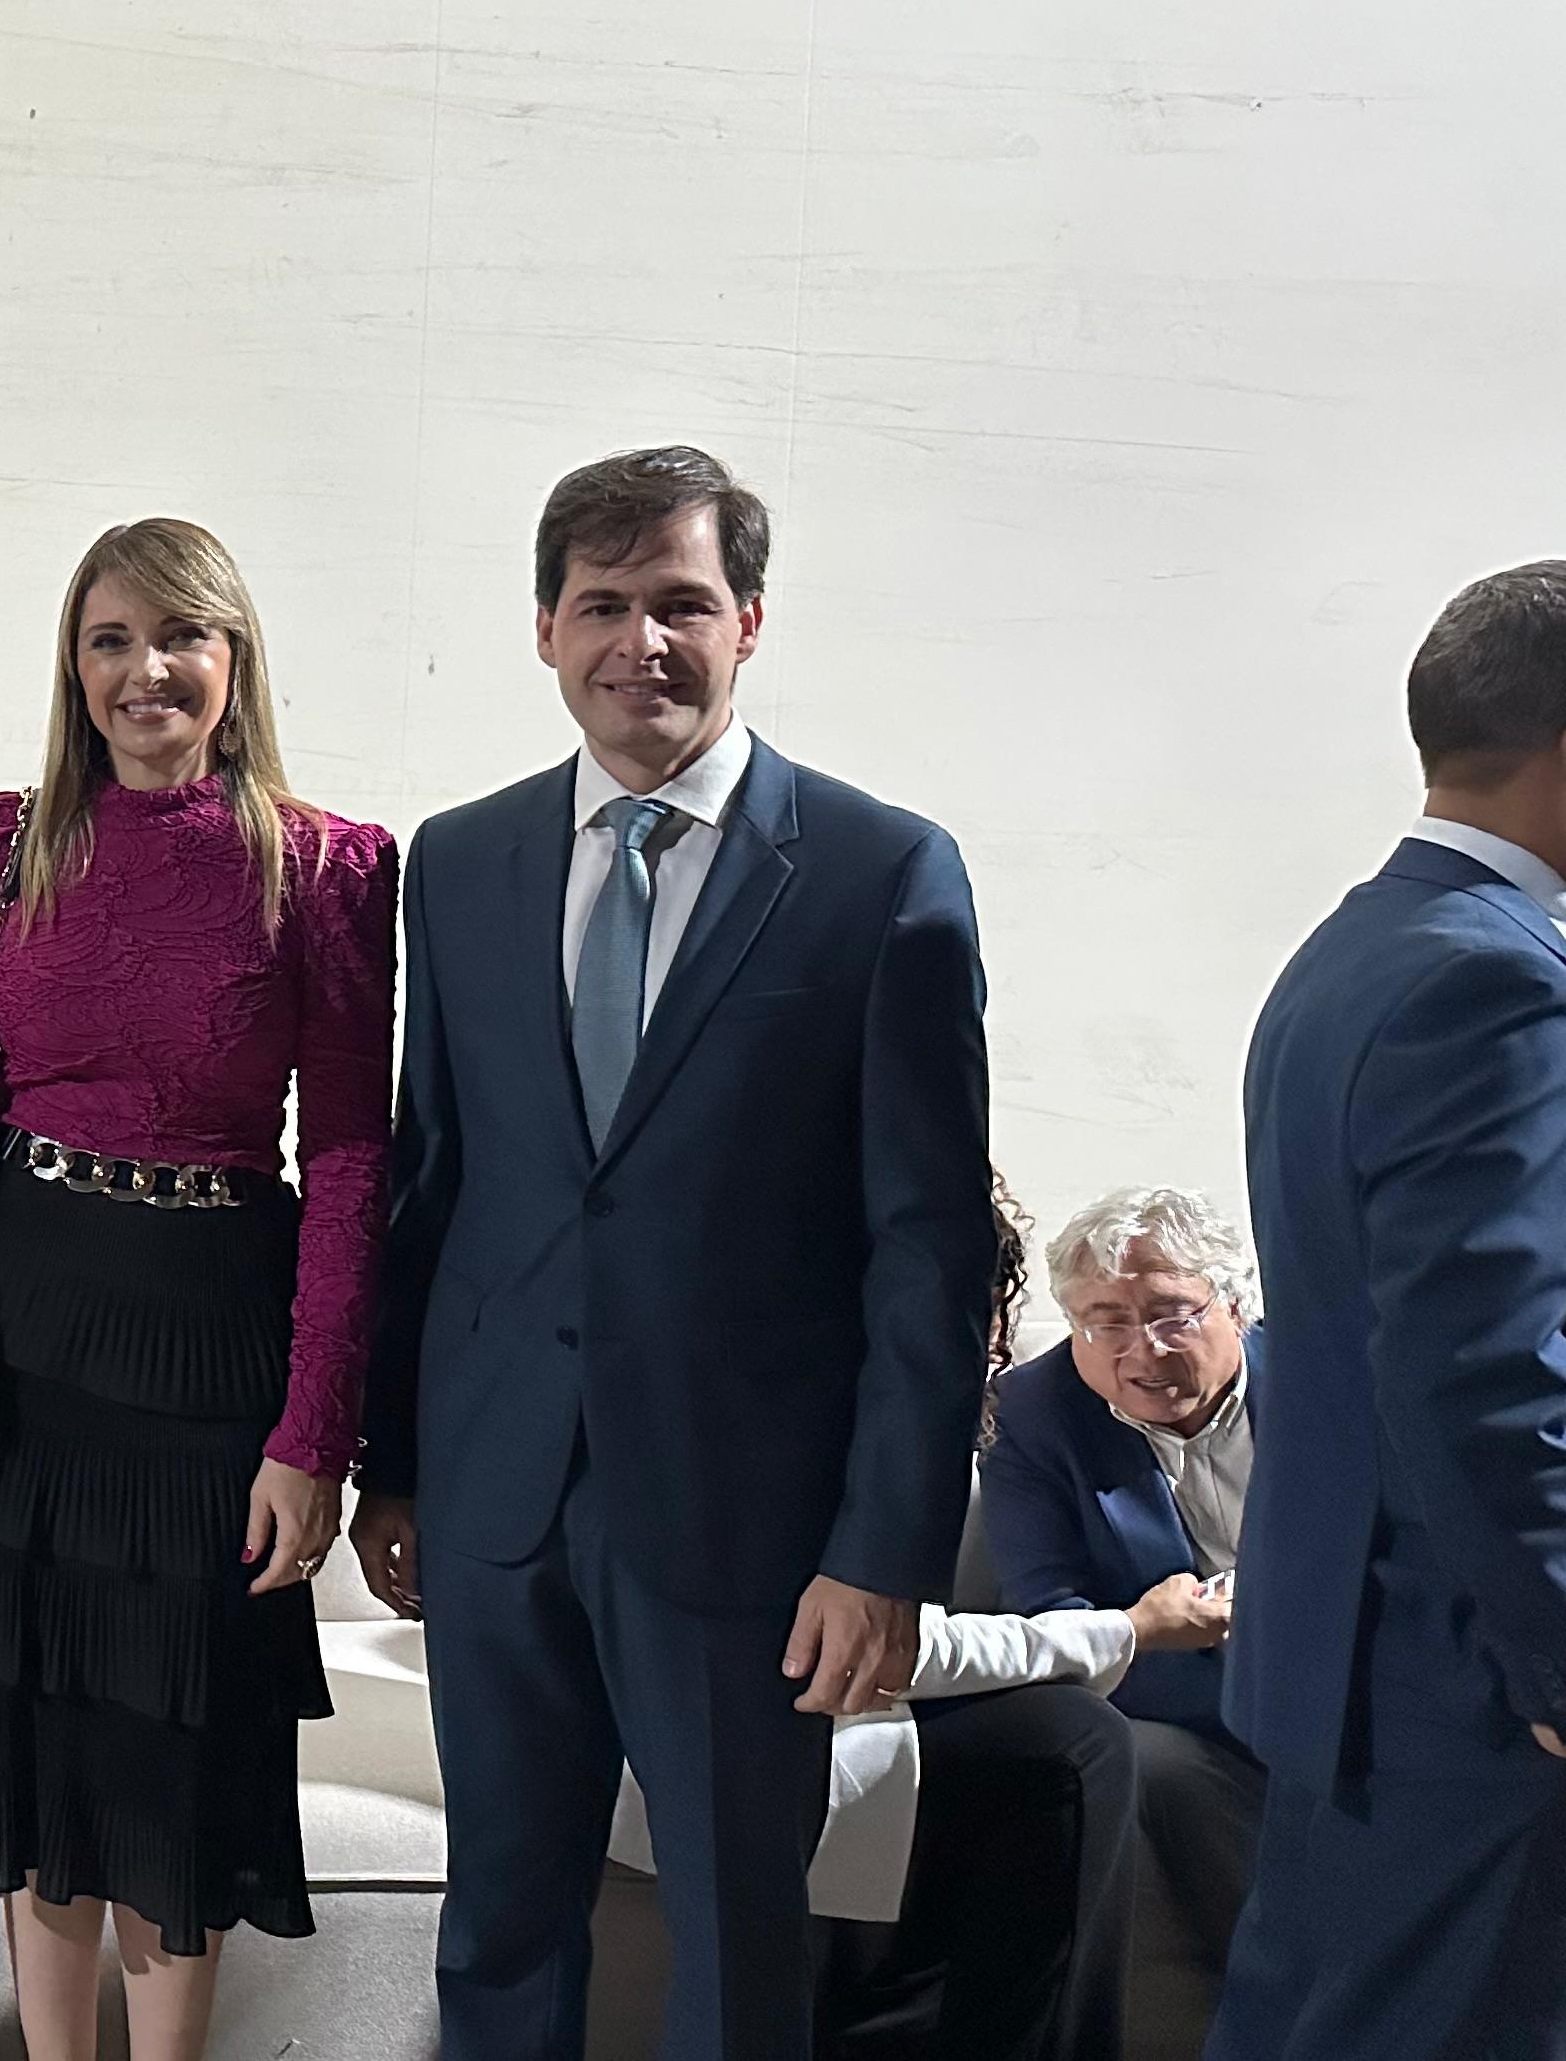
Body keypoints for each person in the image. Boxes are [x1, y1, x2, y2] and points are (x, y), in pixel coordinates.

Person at [348, 445, 993, 2060]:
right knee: (499, 1922)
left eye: (682, 604)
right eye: (603, 605)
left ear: (749, 621)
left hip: (747, 1523)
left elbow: (927, 1248)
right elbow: (435, 1178)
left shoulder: (880, 871)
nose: (641, 641)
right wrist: (395, 1465)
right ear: (545, 630)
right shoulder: (461, 861)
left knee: (735, 1941)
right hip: (497, 1499)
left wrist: (883, 1550)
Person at [0, 517, 396, 2061]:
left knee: (175, 1753)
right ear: (73, 666)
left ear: (235, 662)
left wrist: (316, 1434)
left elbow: (352, 1161)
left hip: (209, 1349)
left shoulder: (328, 868)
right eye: (110, 640)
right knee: (32, 1739)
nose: (144, 671)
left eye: (180, 637)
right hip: (5, 1331)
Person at [1211, 561, 1566, 2058]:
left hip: (1355, 1662)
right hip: (1467, 1687)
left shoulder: (1349, 952)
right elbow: (1489, 1375)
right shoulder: (1505, 983)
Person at [618, 1179, 1185, 2061]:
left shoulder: (938, 1420)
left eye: (988, 1310)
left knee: (1060, 1745)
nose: (987, 1342)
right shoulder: (781, 1421)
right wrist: (1130, 1630)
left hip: (836, 1709)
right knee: (1071, 1748)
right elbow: (877, 1645)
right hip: (743, 1713)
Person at [978, 1183, 1265, 1973]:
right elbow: (1048, 1612)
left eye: (1174, 1316)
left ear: (1234, 1307)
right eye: (1106, 1323)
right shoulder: (1031, 1415)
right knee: (1150, 1759)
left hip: (1355, 1685)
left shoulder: (1327, 1378)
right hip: (1189, 1710)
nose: (1144, 1352)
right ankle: (1286, 1994)